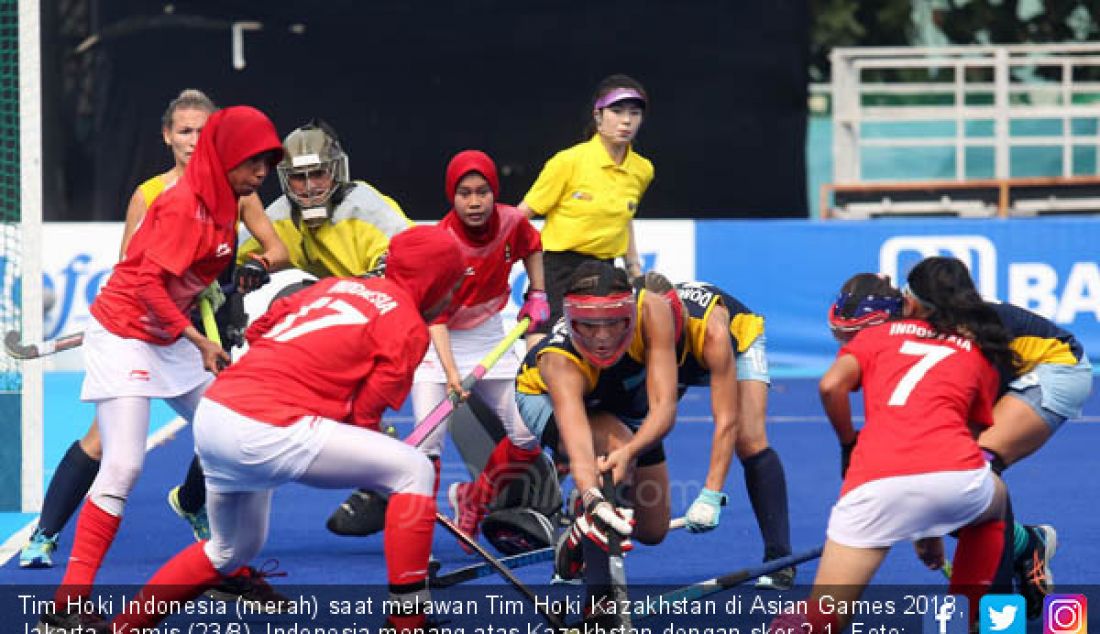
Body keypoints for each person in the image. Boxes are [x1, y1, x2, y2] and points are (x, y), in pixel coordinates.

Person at [89, 226, 465, 634]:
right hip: (267, 426)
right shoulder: (407, 324)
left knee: (229, 551)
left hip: (215, 413)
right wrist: (382, 467)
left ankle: (119, 629)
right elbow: (362, 417)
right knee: (414, 469)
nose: (451, 299)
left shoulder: (335, 286)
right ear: (434, 281)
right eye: (451, 286)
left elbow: (260, 329)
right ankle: (409, 623)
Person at [33, 105, 284, 632]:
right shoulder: (181, 204)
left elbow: (241, 260)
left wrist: (244, 274)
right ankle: (67, 605)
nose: (263, 173)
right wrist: (196, 338)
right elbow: (146, 284)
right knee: (122, 464)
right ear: (227, 156)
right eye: (254, 163)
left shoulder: (229, 200)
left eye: (267, 162)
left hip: (169, 335)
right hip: (126, 335)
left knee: (239, 435)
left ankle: (223, 563)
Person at [778, 258, 1022, 632]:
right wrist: (931, 530)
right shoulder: (980, 355)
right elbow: (958, 446)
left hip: (874, 484)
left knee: (824, 613)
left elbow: (830, 386)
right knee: (997, 498)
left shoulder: (877, 337)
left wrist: (848, 443)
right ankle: (963, 617)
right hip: (957, 481)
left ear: (914, 302)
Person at [830, 265, 1087, 620]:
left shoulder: (956, 330)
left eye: (857, 336)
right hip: (1002, 372)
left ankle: (997, 612)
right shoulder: (916, 312)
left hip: (1054, 369)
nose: (852, 347)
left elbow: (963, 413)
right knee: (953, 480)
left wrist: (925, 527)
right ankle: (1025, 545)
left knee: (977, 470)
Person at [514, 261, 677, 612]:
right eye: (589, 325)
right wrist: (592, 496)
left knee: (653, 529)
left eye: (614, 323)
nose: (602, 338)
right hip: (543, 399)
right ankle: (600, 604)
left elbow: (664, 409)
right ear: (572, 321)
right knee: (614, 450)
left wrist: (633, 448)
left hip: (619, 397)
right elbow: (578, 448)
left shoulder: (654, 310)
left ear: (631, 314)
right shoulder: (559, 362)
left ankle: (576, 534)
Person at [638, 273, 796, 590]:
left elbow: (726, 418)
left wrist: (711, 494)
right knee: (635, 426)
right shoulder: (640, 325)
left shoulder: (714, 330)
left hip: (737, 344)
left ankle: (780, 560)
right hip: (670, 346)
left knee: (750, 440)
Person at [518, 74, 653, 340]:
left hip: (606, 271)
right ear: (598, 116)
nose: (626, 121)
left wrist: (634, 269)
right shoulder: (567, 161)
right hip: (557, 269)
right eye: (616, 111)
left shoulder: (642, 170)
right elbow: (521, 214)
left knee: (602, 350)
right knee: (543, 347)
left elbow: (624, 216)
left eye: (634, 113)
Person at [237, 119, 412, 279]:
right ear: (286, 179)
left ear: (337, 172)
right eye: (299, 177)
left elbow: (412, 257)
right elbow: (237, 264)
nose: (310, 186)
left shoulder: (366, 208)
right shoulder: (277, 218)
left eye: (318, 173)